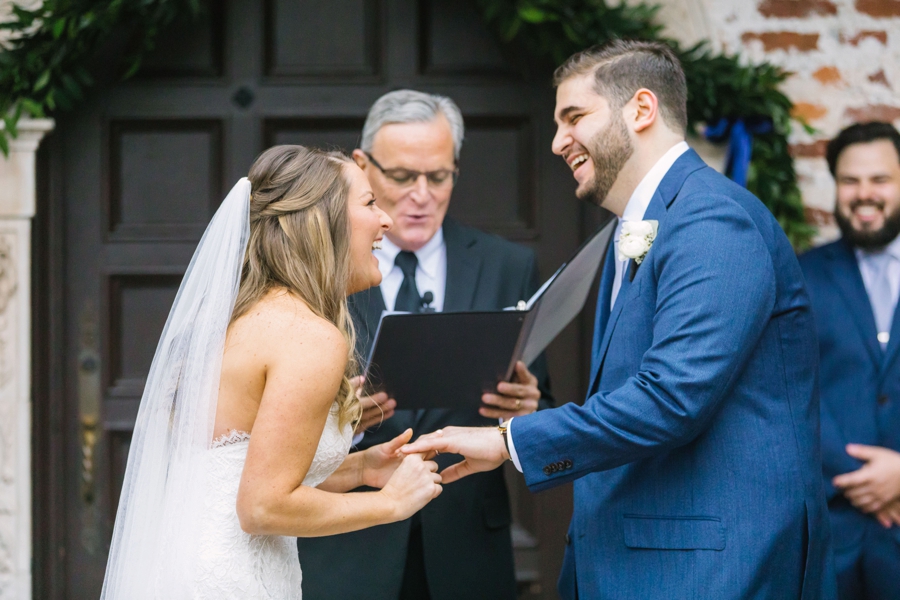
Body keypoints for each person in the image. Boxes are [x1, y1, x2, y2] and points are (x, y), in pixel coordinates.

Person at [403, 40, 836, 599]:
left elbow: (672, 399)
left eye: (574, 117)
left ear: (641, 109)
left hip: (709, 569)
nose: (558, 142)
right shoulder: (636, 228)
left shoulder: (711, 221)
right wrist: (539, 410)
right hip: (637, 562)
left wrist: (509, 440)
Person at [101, 145, 443, 599]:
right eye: (369, 203)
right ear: (323, 222)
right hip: (234, 579)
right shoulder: (311, 337)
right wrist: (389, 504)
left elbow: (240, 465)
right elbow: (261, 506)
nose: (386, 221)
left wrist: (360, 467)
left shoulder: (238, 319)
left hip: (182, 565)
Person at [297, 90, 551, 600]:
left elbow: (539, 396)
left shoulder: (508, 265)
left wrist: (528, 409)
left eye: (438, 177)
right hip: (348, 549)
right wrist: (338, 419)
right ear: (363, 166)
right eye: (401, 177)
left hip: (467, 551)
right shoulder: (314, 272)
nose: (422, 195)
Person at [798, 122, 900, 600]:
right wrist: (858, 480)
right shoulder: (802, 275)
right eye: (850, 180)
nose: (864, 194)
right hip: (832, 539)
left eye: (880, 179)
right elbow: (791, 389)